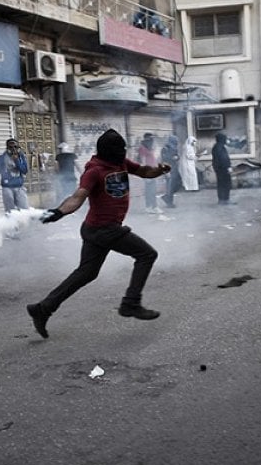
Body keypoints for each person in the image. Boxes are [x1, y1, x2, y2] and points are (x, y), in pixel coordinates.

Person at [26, 129, 171, 339]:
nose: (122, 152)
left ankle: (43, 308)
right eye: (119, 149)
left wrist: (160, 170)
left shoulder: (121, 163)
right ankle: (131, 303)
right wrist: (59, 212)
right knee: (147, 255)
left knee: (87, 272)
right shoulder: (94, 170)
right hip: (105, 229)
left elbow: (144, 172)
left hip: (96, 229)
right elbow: (78, 196)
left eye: (123, 149)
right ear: (108, 151)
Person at [0, 138, 29, 213]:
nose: (13, 149)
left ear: (18, 148)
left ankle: (23, 224)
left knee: (24, 209)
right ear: (7, 148)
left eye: (15, 147)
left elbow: (24, 170)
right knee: (10, 211)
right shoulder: (2, 158)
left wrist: (17, 160)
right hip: (7, 188)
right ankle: (12, 224)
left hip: (19, 187)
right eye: (11, 147)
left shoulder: (21, 157)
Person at [138, 133, 162, 213]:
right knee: (149, 190)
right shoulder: (143, 147)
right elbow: (143, 160)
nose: (153, 140)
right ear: (147, 139)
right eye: (151, 138)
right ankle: (150, 207)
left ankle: (153, 206)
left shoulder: (151, 147)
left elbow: (155, 159)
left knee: (153, 190)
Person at [212, 132, 235, 205]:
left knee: (221, 184)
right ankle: (225, 199)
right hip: (223, 169)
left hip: (218, 168)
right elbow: (224, 159)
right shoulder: (221, 147)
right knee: (225, 184)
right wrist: (228, 167)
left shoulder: (216, 147)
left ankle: (221, 199)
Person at [160, 135, 180, 208]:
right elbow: (164, 160)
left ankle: (166, 197)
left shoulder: (175, 148)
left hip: (174, 168)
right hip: (168, 169)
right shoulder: (165, 148)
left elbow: (177, 156)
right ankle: (169, 202)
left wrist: (177, 157)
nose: (176, 142)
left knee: (177, 185)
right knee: (170, 186)